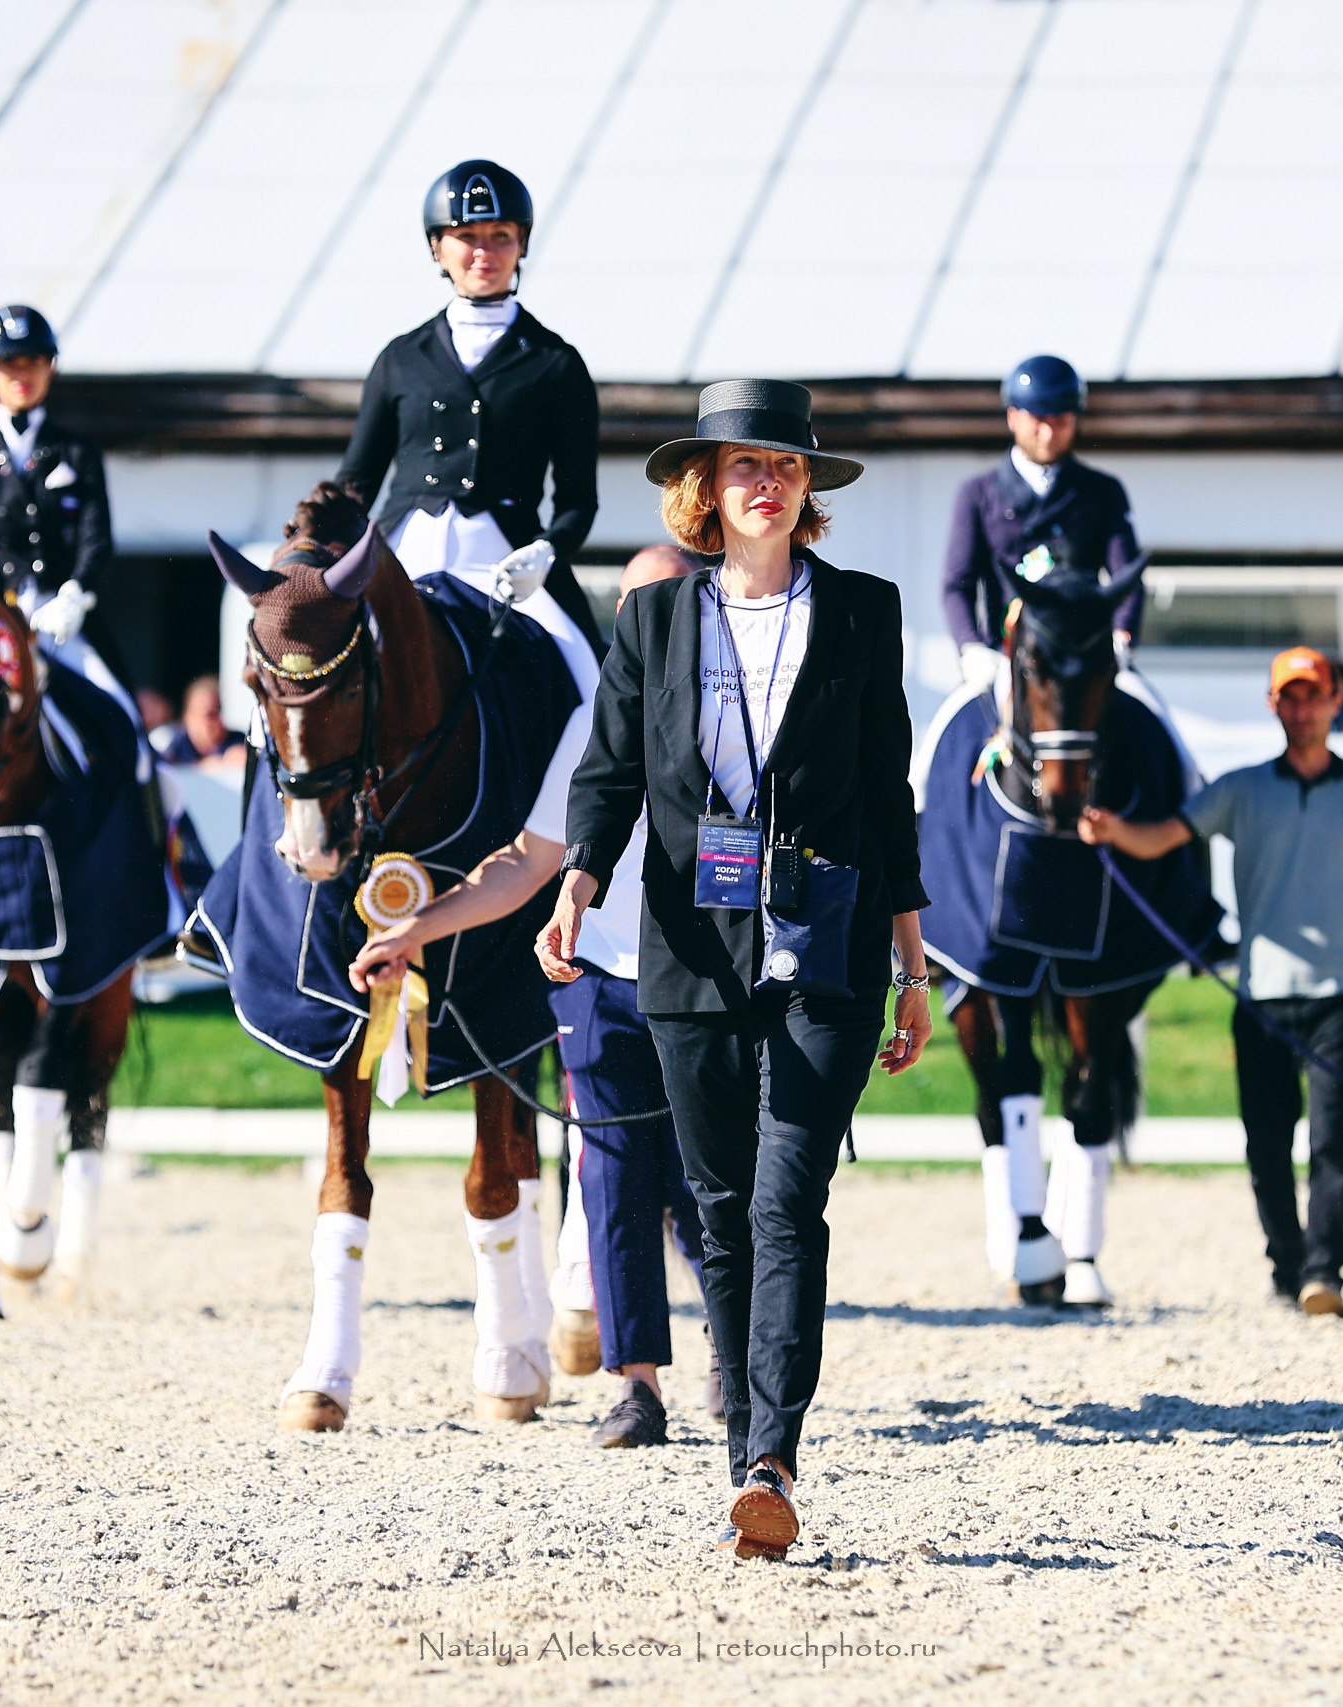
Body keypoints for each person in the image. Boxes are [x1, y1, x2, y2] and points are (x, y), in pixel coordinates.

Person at [543, 381, 933, 1560]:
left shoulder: (866, 613)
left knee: (783, 1199)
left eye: (786, 464)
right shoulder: (655, 620)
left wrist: (911, 960)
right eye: (742, 464)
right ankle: (741, 1459)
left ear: (807, 488)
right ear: (704, 490)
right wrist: (576, 884)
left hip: (828, 943)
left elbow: (885, 788)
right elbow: (610, 770)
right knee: (715, 1209)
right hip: (690, 945)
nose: (766, 481)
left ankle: (773, 1455)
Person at [348, 545, 708, 1450]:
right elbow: (525, 862)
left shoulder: (743, 709)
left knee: (712, 1181)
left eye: (667, 601)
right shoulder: (595, 721)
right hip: (603, 978)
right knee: (614, 1182)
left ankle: (741, 1362)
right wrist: (414, 930)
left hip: (714, 979)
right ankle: (639, 1386)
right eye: (634, 605)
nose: (649, 621)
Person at [1077, 646, 1343, 1318]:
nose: (1302, 709)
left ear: (1337, 701)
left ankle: (1323, 1270)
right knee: (1267, 1146)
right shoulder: (1240, 789)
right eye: (1290, 696)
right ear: (1273, 704)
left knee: (1330, 1140)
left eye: (1314, 695)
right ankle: (1288, 1264)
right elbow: (1164, 836)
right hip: (1260, 999)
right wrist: (1111, 831)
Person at [338, 159, 605, 657]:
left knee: (590, 674)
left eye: (501, 235)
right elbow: (357, 482)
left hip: (508, 560)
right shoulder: (399, 358)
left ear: (522, 244)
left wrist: (545, 553)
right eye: (466, 235)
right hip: (402, 552)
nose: (484, 251)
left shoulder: (557, 363)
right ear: (437, 247)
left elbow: (577, 501)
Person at [0, 305, 138, 726]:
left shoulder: (78, 452)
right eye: (8, 363)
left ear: (51, 367)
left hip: (64, 618)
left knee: (125, 716)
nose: (21, 375)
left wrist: (76, 595)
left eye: (33, 362)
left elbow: (97, 538)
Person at [943, 355, 1144, 692]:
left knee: (1156, 723)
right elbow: (956, 585)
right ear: (1012, 417)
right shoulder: (977, 494)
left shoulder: (1103, 491)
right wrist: (972, 648)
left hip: (1085, 657)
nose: (1048, 433)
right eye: (1037, 419)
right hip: (1003, 656)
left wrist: (1122, 636)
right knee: (945, 734)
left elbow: (1128, 577)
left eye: (1061, 420)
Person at [153, 675, 245, 769]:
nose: (218, 719)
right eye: (210, 714)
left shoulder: (238, 740)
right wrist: (214, 765)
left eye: (219, 710)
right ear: (189, 716)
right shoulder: (176, 747)